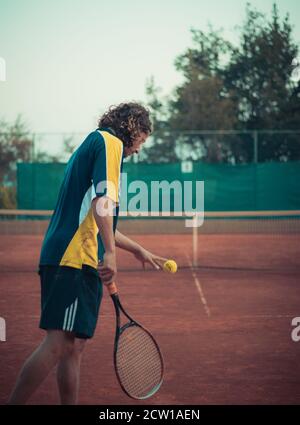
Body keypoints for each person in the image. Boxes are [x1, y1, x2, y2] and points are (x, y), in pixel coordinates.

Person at [8, 102, 167, 405]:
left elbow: (94, 218)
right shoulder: (110, 143)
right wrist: (109, 253)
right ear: (132, 129)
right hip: (72, 258)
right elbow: (102, 202)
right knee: (57, 343)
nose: (139, 150)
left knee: (73, 346)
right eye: (142, 140)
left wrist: (137, 249)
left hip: (70, 254)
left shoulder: (94, 143)